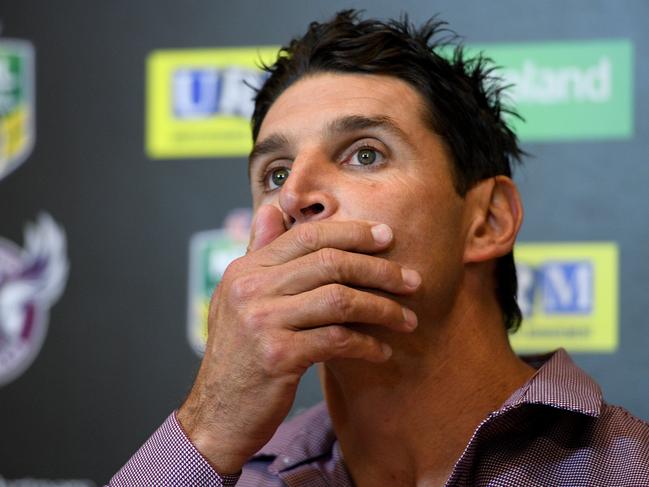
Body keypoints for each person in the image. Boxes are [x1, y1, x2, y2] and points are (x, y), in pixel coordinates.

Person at [110, 10, 649, 486]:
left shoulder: (626, 468)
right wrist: (208, 430)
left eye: (364, 155)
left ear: (487, 220)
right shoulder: (225, 473)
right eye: (275, 174)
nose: (295, 196)